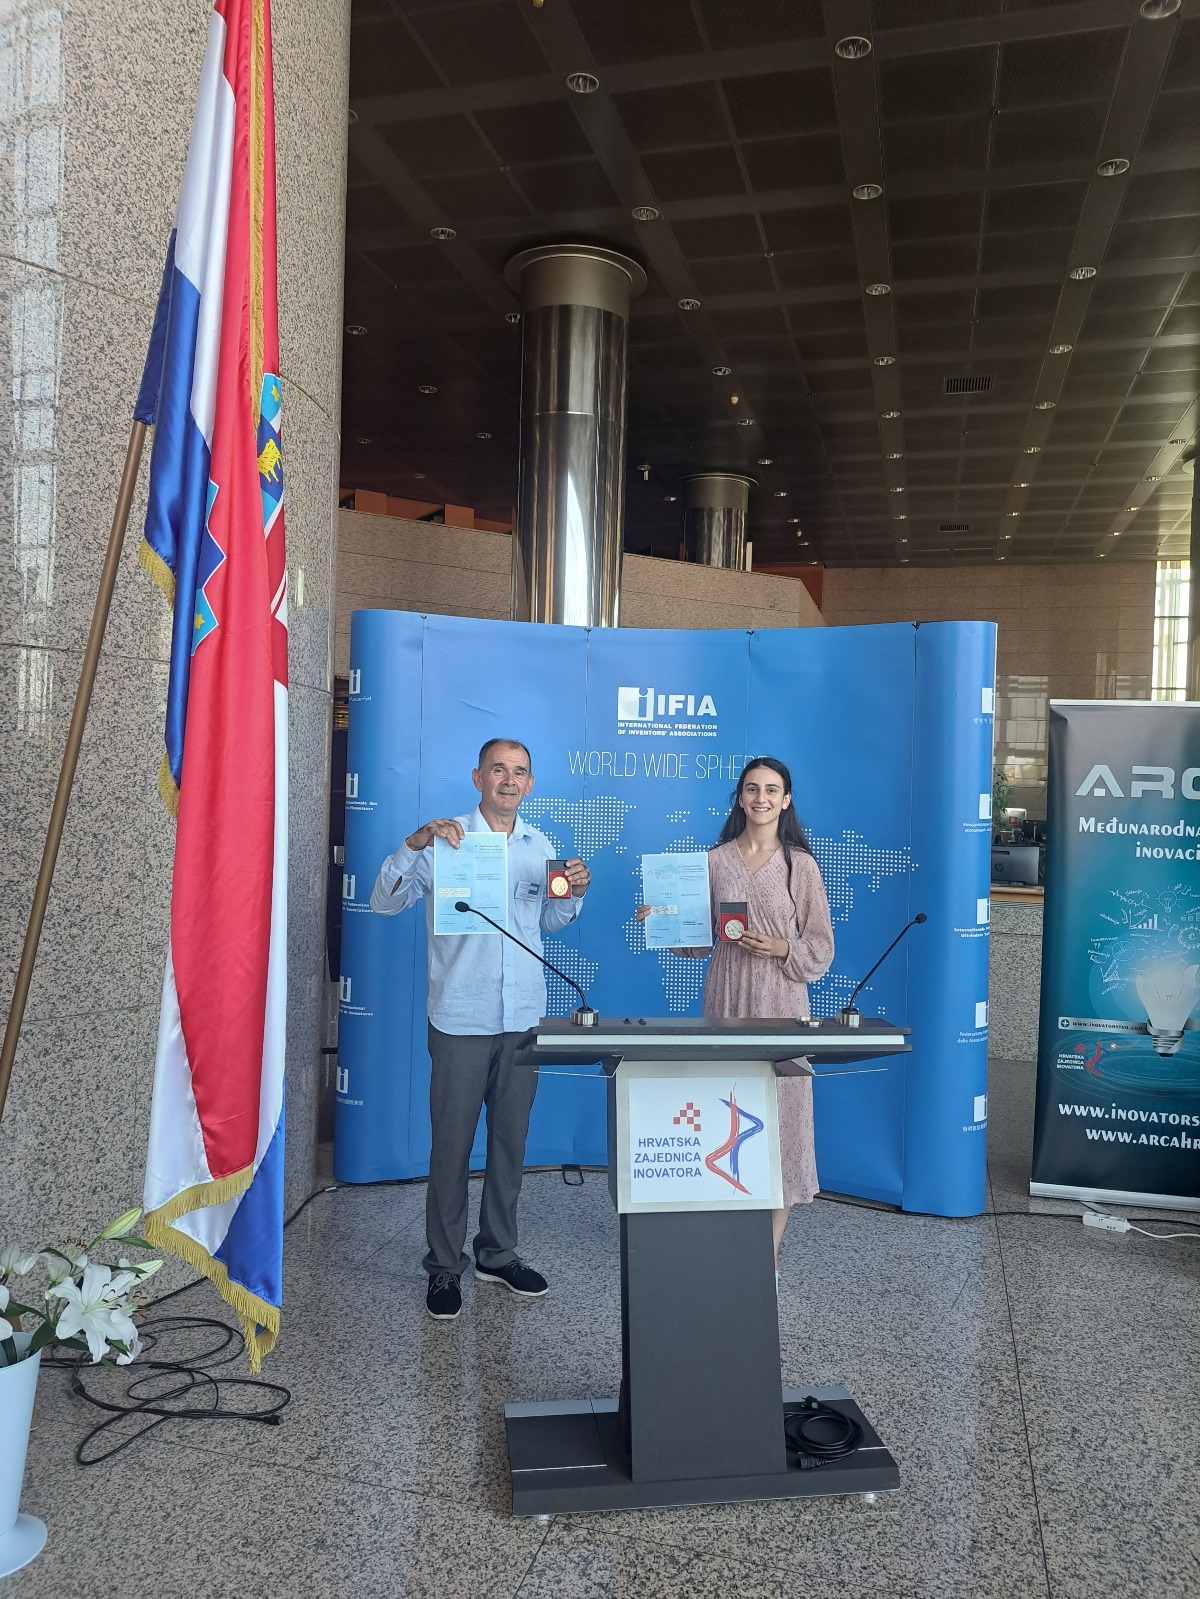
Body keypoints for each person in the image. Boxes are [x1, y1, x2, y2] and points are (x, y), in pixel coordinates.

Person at [370, 738, 590, 1321]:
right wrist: (412, 844)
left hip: (522, 1019)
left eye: (520, 772)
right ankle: (444, 1265)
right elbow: (384, 903)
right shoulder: (446, 840)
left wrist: (574, 894)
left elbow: (548, 921)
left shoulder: (539, 846)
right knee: (451, 1146)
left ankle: (497, 1254)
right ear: (478, 778)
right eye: (499, 770)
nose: (509, 780)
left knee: (510, 1144)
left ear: (530, 784)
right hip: (461, 1018)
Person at [638, 757, 833, 1268]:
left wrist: (782, 948)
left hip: (782, 1005)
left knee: (782, 1121)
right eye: (751, 789)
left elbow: (821, 947)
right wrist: (662, 920)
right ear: (740, 797)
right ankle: (723, 1247)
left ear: (786, 800)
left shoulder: (800, 866)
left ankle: (764, 1263)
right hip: (726, 1000)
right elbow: (697, 943)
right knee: (725, 1116)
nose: (760, 798)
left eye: (771, 789)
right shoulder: (714, 861)